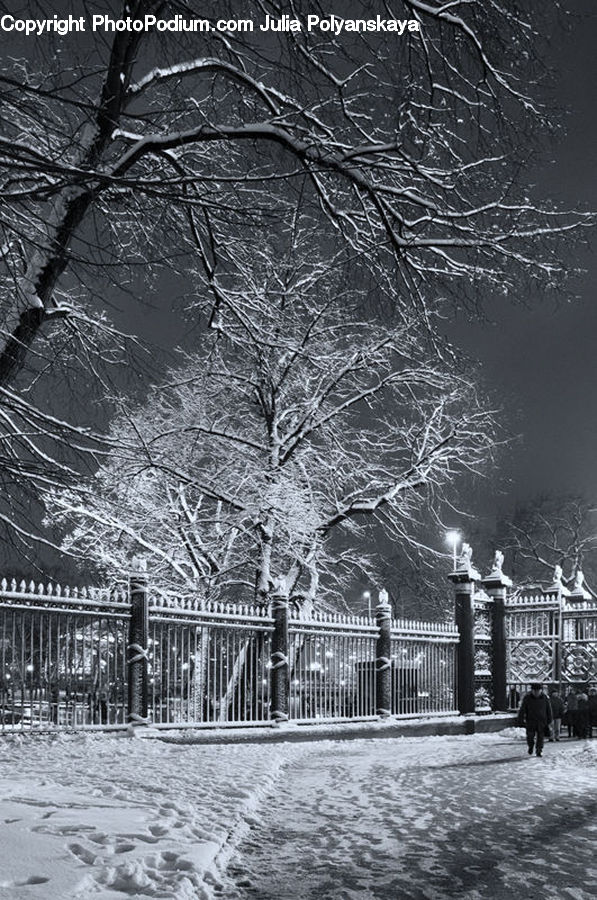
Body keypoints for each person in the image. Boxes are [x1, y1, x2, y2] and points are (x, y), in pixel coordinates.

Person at [517, 683, 553, 757]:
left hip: (542, 721)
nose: (536, 692)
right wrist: (520, 719)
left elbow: (548, 709)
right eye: (535, 691)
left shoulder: (544, 698)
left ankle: (539, 750)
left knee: (540, 737)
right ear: (532, 691)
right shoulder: (527, 698)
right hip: (531, 721)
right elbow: (522, 709)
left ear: (540, 691)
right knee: (530, 736)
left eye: (538, 690)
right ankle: (531, 746)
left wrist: (549, 719)